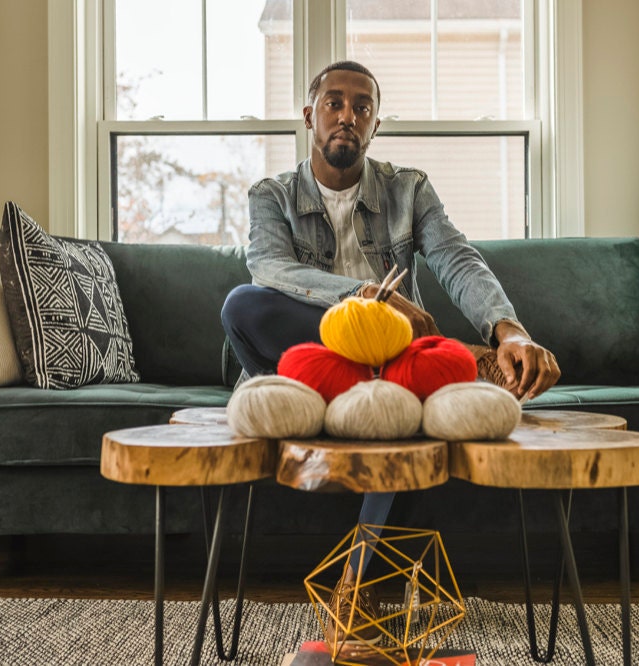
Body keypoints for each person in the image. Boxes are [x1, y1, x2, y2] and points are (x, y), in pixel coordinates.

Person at [222, 60, 560, 645]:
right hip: (310, 363)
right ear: (310, 116)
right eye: (334, 103)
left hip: (390, 368)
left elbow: (456, 258)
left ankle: (358, 585)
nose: (347, 116)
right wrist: (369, 300)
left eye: (361, 107)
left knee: (393, 404)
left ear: (375, 124)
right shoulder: (270, 194)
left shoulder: (410, 189)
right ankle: (428, 374)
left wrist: (509, 331)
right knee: (243, 305)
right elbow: (271, 270)